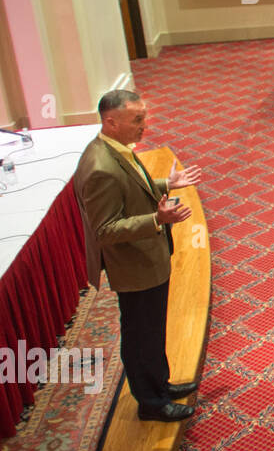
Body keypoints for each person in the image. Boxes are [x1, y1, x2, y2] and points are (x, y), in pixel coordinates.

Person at [73, 90, 203, 422]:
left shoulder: (114, 148)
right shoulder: (100, 167)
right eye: (137, 120)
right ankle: (151, 403)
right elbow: (105, 230)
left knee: (152, 328)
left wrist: (165, 183)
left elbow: (133, 187)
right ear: (111, 122)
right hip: (133, 265)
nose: (144, 126)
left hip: (146, 257)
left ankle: (160, 383)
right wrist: (157, 220)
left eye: (144, 117)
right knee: (141, 333)